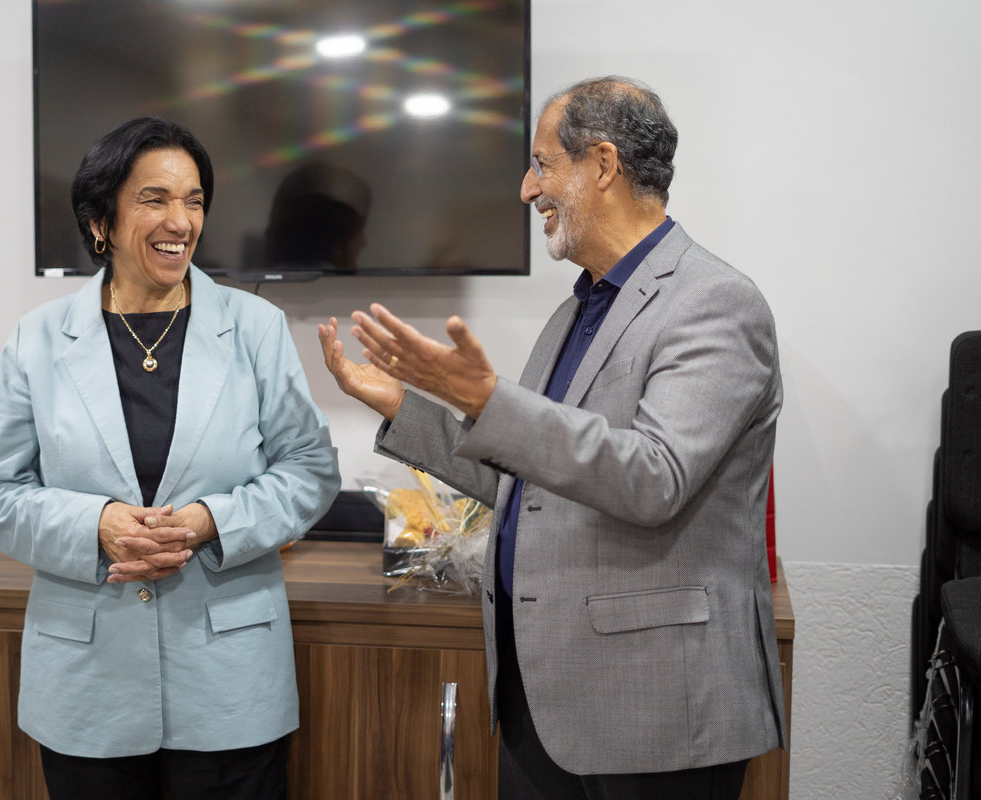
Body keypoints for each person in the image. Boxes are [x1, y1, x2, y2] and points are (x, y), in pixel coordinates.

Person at [319, 76, 785, 799]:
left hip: (655, 711)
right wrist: (402, 405)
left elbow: (654, 478)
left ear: (602, 164)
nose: (526, 188)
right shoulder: (576, 312)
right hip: (542, 700)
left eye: (541, 164)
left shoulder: (716, 303)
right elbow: (526, 478)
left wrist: (485, 397)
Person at [0, 117, 340, 799]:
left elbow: (309, 469)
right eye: (154, 199)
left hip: (228, 680)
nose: (181, 221)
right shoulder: (38, 339)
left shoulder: (254, 328)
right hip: (88, 684)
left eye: (194, 200)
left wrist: (208, 521)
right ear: (100, 221)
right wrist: (97, 525)